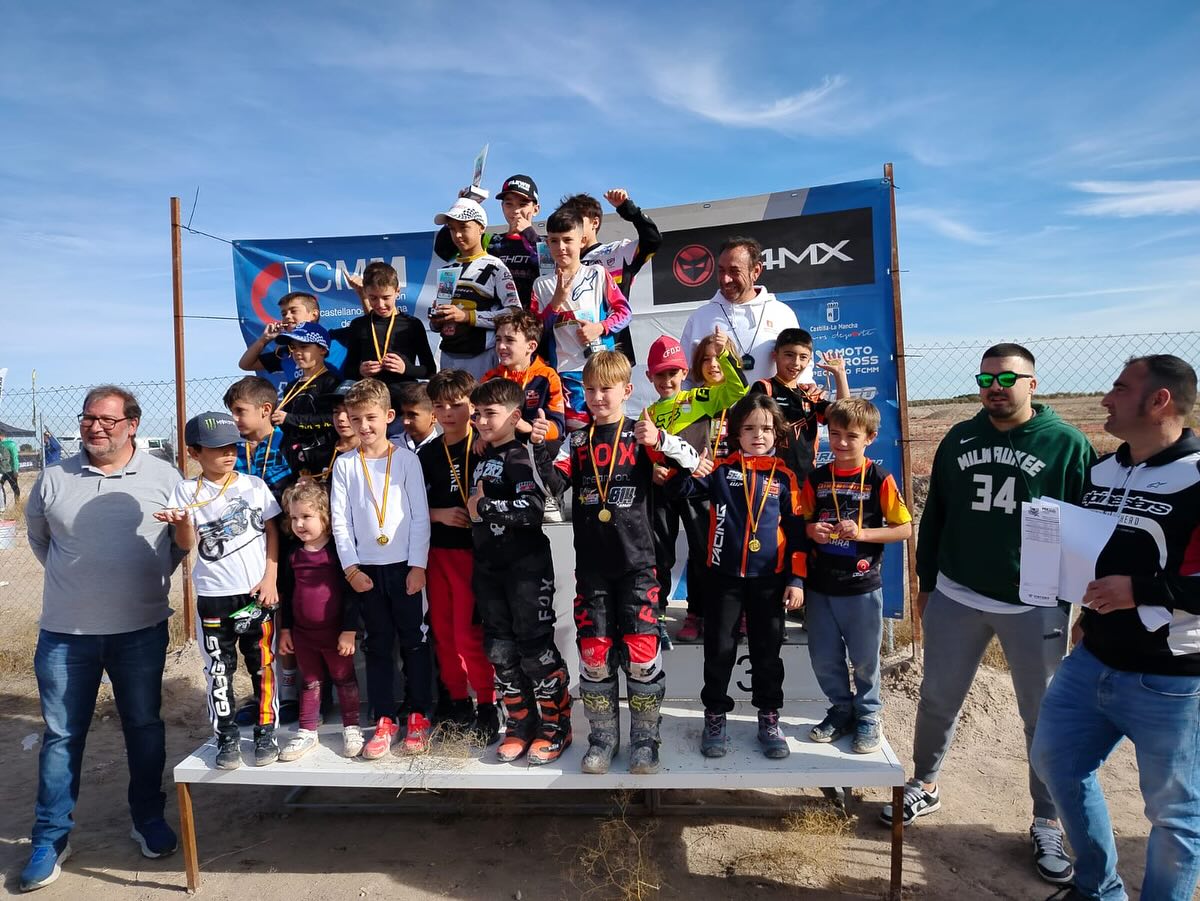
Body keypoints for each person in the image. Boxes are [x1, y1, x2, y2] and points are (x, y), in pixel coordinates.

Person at [880, 343, 1096, 888]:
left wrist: (1083, 604)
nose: (995, 388)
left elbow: (1088, 530)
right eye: (985, 379)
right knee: (937, 698)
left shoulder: (1066, 444)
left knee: (1041, 716)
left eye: (1006, 378)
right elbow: (936, 515)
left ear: (1032, 383)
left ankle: (1046, 819)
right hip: (958, 592)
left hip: (1034, 603)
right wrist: (927, 584)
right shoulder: (960, 436)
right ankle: (925, 783)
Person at [1032, 354, 1200, 901]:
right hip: (1092, 659)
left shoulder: (1197, 477)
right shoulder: (1101, 471)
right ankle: (1096, 889)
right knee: (1057, 763)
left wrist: (1141, 590)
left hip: (1171, 677)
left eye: (1120, 388)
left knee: (1174, 815)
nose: (1106, 398)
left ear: (1160, 400)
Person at [20, 386, 183, 891]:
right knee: (62, 737)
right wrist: (81, 584)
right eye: (88, 418)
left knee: (144, 727)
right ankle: (50, 838)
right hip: (65, 636)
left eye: (108, 420)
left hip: (140, 631)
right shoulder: (53, 478)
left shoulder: (165, 477)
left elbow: (179, 544)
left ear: (132, 425)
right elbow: (41, 540)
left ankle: (148, 818)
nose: (95, 427)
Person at [536, 350, 699, 774]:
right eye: (590, 389)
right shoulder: (576, 442)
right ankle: (603, 739)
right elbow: (552, 485)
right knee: (594, 657)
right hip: (593, 569)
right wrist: (538, 446)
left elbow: (693, 469)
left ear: (627, 390)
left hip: (638, 566)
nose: (597, 397)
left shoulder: (643, 434)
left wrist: (660, 442)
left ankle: (645, 739)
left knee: (642, 658)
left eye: (606, 389)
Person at [667, 393, 806, 759]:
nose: (758, 435)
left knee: (767, 652)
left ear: (777, 433)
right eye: (749, 428)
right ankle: (714, 715)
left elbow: (797, 533)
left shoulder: (786, 477)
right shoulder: (720, 471)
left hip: (769, 581)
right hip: (723, 578)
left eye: (766, 428)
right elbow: (678, 490)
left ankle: (769, 717)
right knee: (719, 649)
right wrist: (685, 467)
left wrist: (796, 579)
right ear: (736, 433)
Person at [157, 412, 283, 770]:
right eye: (217, 448)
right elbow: (186, 543)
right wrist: (183, 522)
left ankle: (266, 732)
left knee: (263, 665)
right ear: (195, 453)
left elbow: (272, 532)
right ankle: (226, 736)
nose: (228, 454)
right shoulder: (186, 491)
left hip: (257, 593)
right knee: (219, 669)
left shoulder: (254, 486)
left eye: (232, 446)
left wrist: (271, 577)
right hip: (214, 595)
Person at [466, 377, 569, 764]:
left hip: (526, 569)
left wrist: (485, 508)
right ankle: (520, 723)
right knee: (499, 649)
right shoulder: (482, 452)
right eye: (477, 414)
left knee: (535, 650)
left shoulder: (520, 455)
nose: (481, 421)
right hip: (489, 568)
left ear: (513, 416)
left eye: (490, 414)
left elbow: (534, 510)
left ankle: (556, 725)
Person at [800, 398, 912, 754]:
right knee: (823, 656)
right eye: (835, 434)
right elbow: (803, 522)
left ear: (870, 437)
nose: (842, 442)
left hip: (861, 585)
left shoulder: (879, 478)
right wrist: (812, 530)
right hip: (821, 585)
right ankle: (841, 709)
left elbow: (904, 528)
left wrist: (862, 533)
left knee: (864, 658)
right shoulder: (817, 478)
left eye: (851, 435)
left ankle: (868, 714)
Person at [329, 379, 432, 759]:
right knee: (377, 644)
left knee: (415, 641)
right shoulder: (344, 465)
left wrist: (418, 565)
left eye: (371, 417)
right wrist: (350, 569)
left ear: (389, 416)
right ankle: (385, 718)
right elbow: (340, 522)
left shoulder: (406, 460)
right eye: (356, 418)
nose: (364, 426)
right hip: (366, 571)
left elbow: (420, 516)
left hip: (405, 567)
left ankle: (418, 715)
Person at [643, 335, 748, 644]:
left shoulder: (699, 397)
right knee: (660, 555)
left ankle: (701, 613)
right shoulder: (648, 412)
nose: (667, 380)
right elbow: (642, 454)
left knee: (704, 553)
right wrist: (651, 469)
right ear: (649, 376)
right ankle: (658, 618)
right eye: (660, 374)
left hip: (699, 486)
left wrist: (724, 355)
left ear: (684, 372)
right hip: (664, 490)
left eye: (672, 373)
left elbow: (738, 390)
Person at [418, 370, 499, 744]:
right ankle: (457, 702)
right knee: (443, 634)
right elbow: (410, 506)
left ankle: (488, 704)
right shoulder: (426, 454)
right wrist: (438, 514)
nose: (448, 413)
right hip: (437, 554)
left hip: (474, 556)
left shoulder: (485, 446)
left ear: (472, 405)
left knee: (468, 636)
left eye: (456, 404)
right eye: (439, 406)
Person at [276, 482, 363, 761]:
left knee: (344, 679)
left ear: (325, 516)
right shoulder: (293, 554)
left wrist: (349, 630)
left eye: (306, 516)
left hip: (336, 635)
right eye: (294, 518)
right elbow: (288, 595)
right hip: (304, 636)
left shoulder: (339, 553)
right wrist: (286, 630)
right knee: (310, 681)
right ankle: (307, 731)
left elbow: (351, 594)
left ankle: (351, 727)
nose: (299, 524)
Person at [531, 205, 631, 430]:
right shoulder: (541, 285)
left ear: (582, 240)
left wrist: (601, 327)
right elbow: (535, 331)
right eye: (554, 241)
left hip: (601, 369)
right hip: (566, 373)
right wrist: (556, 302)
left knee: (608, 428)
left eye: (567, 240)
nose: (561, 247)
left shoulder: (597, 273)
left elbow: (625, 312)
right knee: (577, 432)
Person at [679, 237, 801, 385]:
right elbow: (684, 376)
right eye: (721, 271)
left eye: (734, 271)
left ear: (756, 271)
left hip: (770, 401)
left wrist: (807, 384)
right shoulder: (700, 317)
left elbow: (801, 365)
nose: (725, 279)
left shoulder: (782, 313)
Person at [429, 197, 522, 379]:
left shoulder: (496, 266)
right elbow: (439, 323)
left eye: (463, 227)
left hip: (481, 355)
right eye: (452, 229)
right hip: (448, 355)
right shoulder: (448, 269)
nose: (457, 235)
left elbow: (514, 312)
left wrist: (467, 316)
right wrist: (437, 320)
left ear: (481, 228)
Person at [566, 188, 662, 363]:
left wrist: (628, 209)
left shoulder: (618, 252)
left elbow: (653, 240)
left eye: (578, 220)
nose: (572, 226)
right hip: (569, 354)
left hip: (612, 351)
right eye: (568, 221)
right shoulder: (559, 261)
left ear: (595, 222)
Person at [750, 328, 851, 482]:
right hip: (769, 478)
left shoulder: (809, 394)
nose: (796, 363)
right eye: (789, 355)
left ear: (809, 361)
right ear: (775, 355)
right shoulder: (764, 387)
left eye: (803, 357)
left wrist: (840, 374)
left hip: (805, 480)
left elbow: (844, 416)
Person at [435, 174, 542, 306]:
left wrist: (528, 233)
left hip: (531, 317)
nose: (515, 210)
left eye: (523, 204)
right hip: (492, 315)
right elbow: (443, 249)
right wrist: (462, 209)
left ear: (536, 209)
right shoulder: (490, 241)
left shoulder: (546, 243)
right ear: (502, 207)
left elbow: (555, 273)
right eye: (509, 204)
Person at [340, 261, 437, 404]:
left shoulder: (412, 324)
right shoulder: (358, 325)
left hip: (403, 399)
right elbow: (348, 370)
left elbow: (430, 370)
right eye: (373, 298)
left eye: (386, 297)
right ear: (365, 292)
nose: (380, 304)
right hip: (371, 399)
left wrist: (406, 368)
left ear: (397, 291)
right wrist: (360, 371)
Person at [272, 322, 344, 476]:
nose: (297, 352)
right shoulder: (291, 386)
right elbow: (288, 426)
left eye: (304, 347)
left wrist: (289, 419)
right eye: (293, 347)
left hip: (325, 459)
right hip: (297, 461)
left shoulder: (332, 382)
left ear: (323, 349)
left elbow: (332, 419)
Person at [225, 375, 295, 504]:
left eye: (240, 411)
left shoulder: (287, 442)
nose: (234, 418)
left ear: (266, 409)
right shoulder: (232, 448)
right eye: (232, 412)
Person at [237, 291, 323, 383]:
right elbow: (245, 364)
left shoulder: (330, 342)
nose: (287, 316)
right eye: (284, 314)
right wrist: (264, 339)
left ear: (314, 315)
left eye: (294, 311)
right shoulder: (285, 353)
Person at [396, 382, 440, 454]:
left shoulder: (443, 449)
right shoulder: (390, 446)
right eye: (403, 413)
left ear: (434, 416)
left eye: (412, 415)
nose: (405, 421)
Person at [1, 428, 20, 502]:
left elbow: (15, 457)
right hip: (1, 471)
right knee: (0, 488)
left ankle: (17, 503)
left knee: (15, 488)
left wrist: (16, 470)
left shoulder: (10, 444)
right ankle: (3, 504)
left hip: (10, 470)